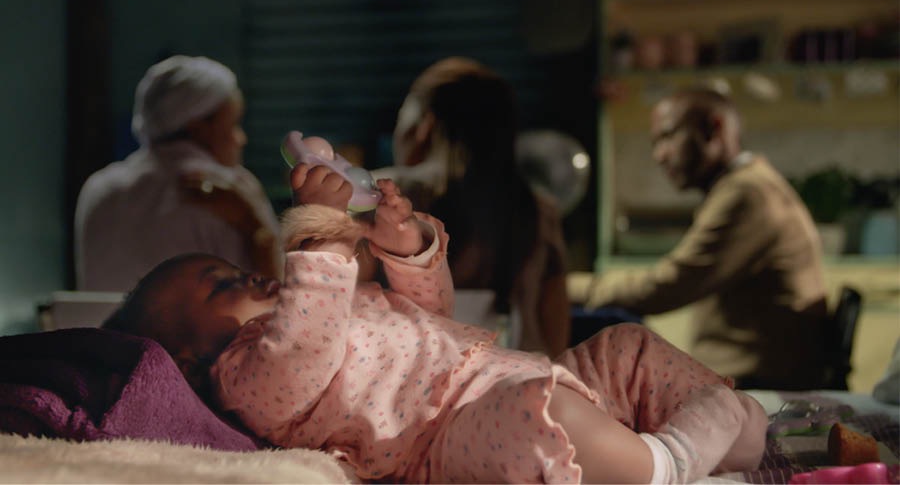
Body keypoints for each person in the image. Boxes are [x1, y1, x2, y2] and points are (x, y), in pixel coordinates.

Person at [103, 157, 767, 484]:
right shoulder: (250, 373)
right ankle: (669, 459)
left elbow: (429, 318)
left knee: (624, 347)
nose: (249, 276)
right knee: (534, 418)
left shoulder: (331, 305)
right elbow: (300, 352)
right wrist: (319, 236)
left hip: (505, 369)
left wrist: (404, 249)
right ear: (189, 358)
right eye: (221, 284)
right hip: (442, 432)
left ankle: (728, 432)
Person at [585, 87, 829, 390]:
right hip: (746, 378)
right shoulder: (746, 184)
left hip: (759, 385)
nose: (659, 155)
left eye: (669, 136)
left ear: (714, 128)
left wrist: (572, 288)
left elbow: (667, 286)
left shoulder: (746, 194)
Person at [374, 56, 571, 357]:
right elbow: (555, 338)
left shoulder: (378, 196)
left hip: (405, 390)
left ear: (424, 125)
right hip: (519, 388)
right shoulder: (538, 211)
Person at [74, 55, 282, 292]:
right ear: (199, 128)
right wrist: (258, 230)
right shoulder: (230, 190)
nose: (241, 139)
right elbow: (275, 301)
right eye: (233, 124)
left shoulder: (99, 187)